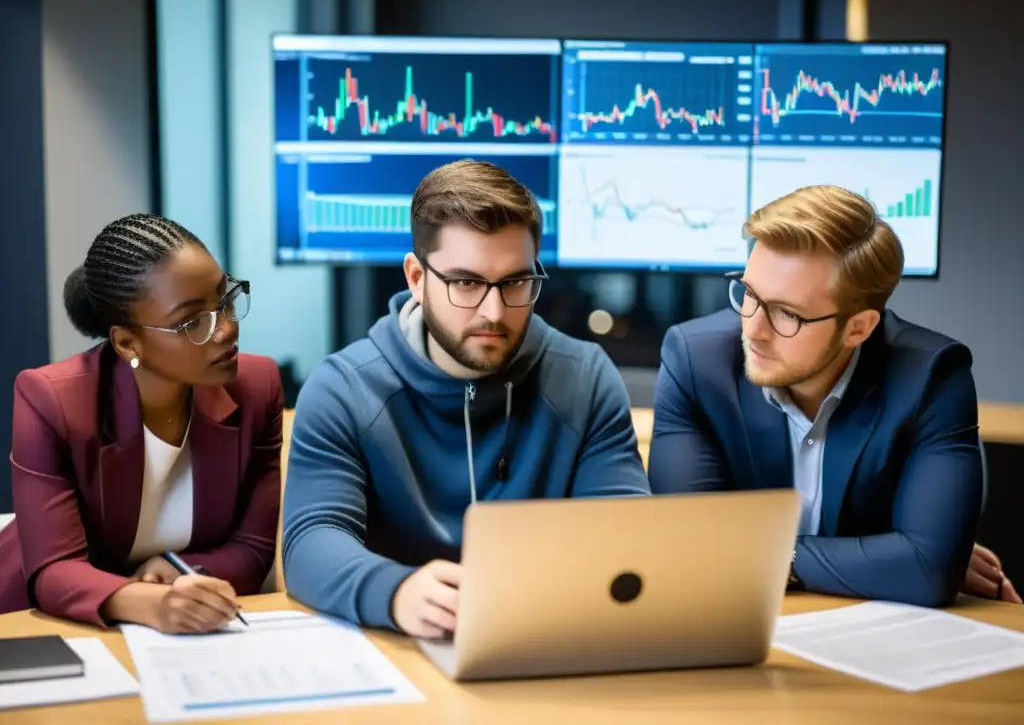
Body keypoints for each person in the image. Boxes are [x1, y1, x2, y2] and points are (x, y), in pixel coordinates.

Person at [283, 159, 650, 638]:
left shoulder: (584, 377)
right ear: (416, 277)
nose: (494, 312)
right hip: (403, 647)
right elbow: (311, 542)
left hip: (548, 636)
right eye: (466, 283)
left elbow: (624, 535)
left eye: (516, 282)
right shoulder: (344, 388)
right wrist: (395, 592)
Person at [647, 185, 1012, 608]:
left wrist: (762, 554)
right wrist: (882, 562)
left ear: (859, 328)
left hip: (873, 636)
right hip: (735, 619)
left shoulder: (932, 377)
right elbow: (685, 547)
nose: (752, 329)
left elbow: (927, 570)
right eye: (748, 293)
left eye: (787, 313)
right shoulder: (696, 361)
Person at [0, 214, 283, 632]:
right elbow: (54, 569)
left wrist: (177, 571)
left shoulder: (257, 388)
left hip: (186, 627)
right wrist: (148, 602)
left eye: (225, 300)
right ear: (128, 343)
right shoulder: (51, 398)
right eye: (192, 322)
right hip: (49, 623)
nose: (226, 329)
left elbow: (253, 548)